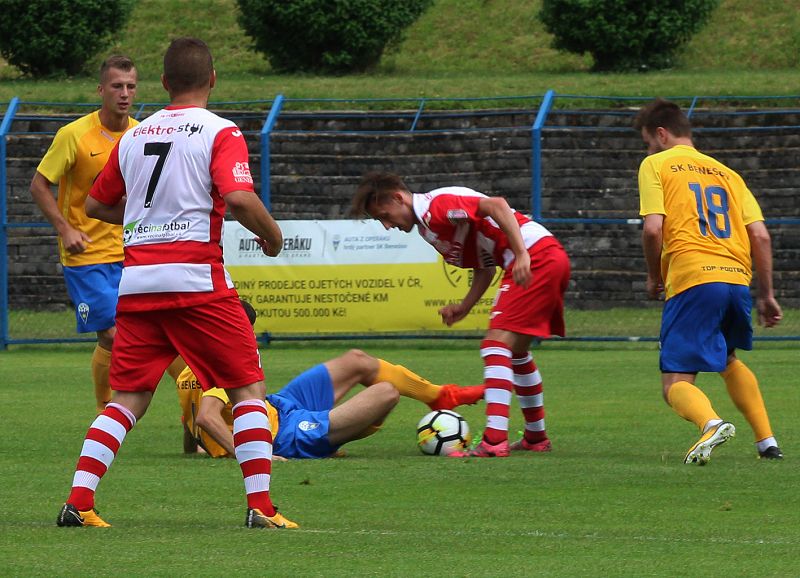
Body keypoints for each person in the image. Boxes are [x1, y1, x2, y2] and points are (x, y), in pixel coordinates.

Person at [56, 37, 295, 530]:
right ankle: (262, 508)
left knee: (127, 401)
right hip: (195, 278)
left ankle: (79, 503)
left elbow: (96, 206)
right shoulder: (220, 131)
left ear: (163, 83)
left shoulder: (134, 138)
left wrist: (149, 214)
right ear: (212, 79)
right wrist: (273, 238)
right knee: (249, 390)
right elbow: (240, 198)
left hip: (139, 281)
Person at [350, 173, 571, 458]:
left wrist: (521, 254)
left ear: (398, 198)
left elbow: (497, 206)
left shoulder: (435, 207)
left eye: (385, 215)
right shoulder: (428, 229)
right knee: (516, 353)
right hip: (546, 255)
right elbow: (484, 267)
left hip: (536, 255)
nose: (387, 225)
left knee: (495, 346)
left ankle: (493, 441)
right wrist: (464, 306)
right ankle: (535, 437)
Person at [634, 98, 784, 465]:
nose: (649, 149)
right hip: (736, 279)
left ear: (661, 133)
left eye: (648, 142)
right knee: (727, 357)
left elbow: (654, 229)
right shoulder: (728, 174)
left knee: (675, 383)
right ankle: (767, 441)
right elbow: (761, 236)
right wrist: (766, 294)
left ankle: (711, 423)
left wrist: (655, 275)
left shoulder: (656, 164)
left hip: (693, 277)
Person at [177, 300, 486, 459]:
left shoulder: (187, 368)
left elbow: (193, 417)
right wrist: (251, 454)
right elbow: (206, 417)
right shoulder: (224, 363)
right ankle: (325, 441)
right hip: (283, 435)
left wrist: (197, 449)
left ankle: (440, 396)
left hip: (277, 407)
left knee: (356, 360)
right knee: (387, 393)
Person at [30, 55, 139, 414]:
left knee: (142, 332)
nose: (124, 94)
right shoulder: (74, 135)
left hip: (131, 250)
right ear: (101, 90)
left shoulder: (141, 134)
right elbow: (39, 185)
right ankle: (106, 408)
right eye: (116, 86)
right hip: (86, 254)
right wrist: (65, 228)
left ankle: (191, 404)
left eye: (130, 86)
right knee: (110, 333)